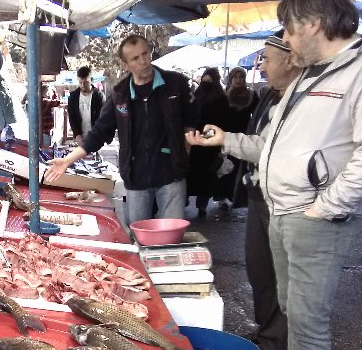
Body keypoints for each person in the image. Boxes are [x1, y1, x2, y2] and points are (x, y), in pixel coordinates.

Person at [213, 0, 362, 350]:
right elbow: (270, 144)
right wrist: (227, 140)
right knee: (290, 308)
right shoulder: (308, 74)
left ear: (315, 24)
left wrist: (327, 206)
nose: (285, 40)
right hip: (282, 212)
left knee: (308, 319)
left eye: (288, 30)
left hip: (314, 217)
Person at [186, 31, 301, 350]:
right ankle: (268, 336)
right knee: (259, 270)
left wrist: (227, 140)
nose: (260, 65)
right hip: (260, 195)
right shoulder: (270, 95)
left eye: (265, 58)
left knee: (284, 281)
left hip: (286, 201)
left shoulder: (298, 100)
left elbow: (268, 149)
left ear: (289, 59)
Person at [44, 34, 197, 225]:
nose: (143, 61)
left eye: (145, 54)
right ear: (125, 64)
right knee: (139, 235)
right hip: (136, 177)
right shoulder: (120, 94)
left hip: (171, 175)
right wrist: (67, 160)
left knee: (172, 236)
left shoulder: (176, 84)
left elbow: (192, 121)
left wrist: (184, 152)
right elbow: (99, 133)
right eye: (135, 58)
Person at [186, 67, 230, 217]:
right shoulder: (197, 95)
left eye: (209, 81)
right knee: (190, 174)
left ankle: (202, 206)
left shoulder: (221, 98)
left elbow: (222, 122)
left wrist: (205, 137)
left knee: (206, 176)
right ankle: (185, 201)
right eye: (204, 81)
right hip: (194, 142)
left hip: (210, 144)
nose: (206, 84)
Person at [214, 67, 260, 211]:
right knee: (224, 168)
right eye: (235, 77)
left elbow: (257, 116)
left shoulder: (252, 95)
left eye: (241, 77)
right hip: (225, 137)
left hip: (244, 137)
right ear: (230, 79)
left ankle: (235, 196)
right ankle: (221, 197)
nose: (238, 80)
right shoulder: (223, 96)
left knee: (239, 168)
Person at [66, 66, 104, 143]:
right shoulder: (73, 97)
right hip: (79, 137)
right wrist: (77, 135)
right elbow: (72, 118)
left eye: (86, 82)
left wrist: (96, 135)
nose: (83, 85)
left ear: (91, 80)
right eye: (80, 82)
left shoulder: (99, 96)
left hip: (96, 136)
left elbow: (101, 118)